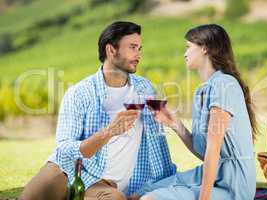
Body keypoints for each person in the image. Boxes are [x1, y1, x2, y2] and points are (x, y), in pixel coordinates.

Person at [19, 21, 176, 200]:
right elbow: (64, 147)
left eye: (140, 48)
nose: (138, 54)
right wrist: (109, 132)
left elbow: (158, 143)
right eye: (132, 47)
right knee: (38, 190)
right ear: (111, 50)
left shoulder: (145, 89)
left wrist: (159, 184)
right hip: (72, 172)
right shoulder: (80, 93)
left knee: (114, 198)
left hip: (105, 186)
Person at [135, 24, 258, 200]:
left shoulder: (224, 85)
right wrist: (174, 123)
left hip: (234, 185)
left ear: (205, 48)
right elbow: (203, 152)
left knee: (150, 198)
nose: (185, 54)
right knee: (141, 192)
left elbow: (213, 150)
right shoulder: (203, 91)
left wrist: (203, 198)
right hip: (212, 174)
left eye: (188, 47)